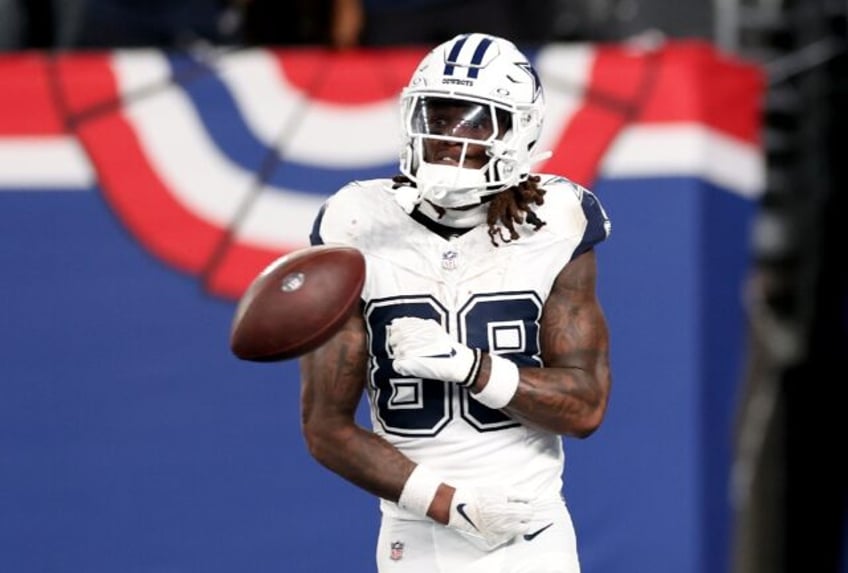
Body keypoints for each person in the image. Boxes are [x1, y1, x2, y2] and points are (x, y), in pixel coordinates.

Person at [300, 32, 612, 572]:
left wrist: (473, 369)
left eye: (474, 121)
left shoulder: (555, 218)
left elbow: (585, 407)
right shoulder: (356, 220)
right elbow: (325, 426)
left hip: (530, 529)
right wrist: (450, 504)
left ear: (520, 131)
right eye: (437, 118)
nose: (450, 137)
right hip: (416, 530)